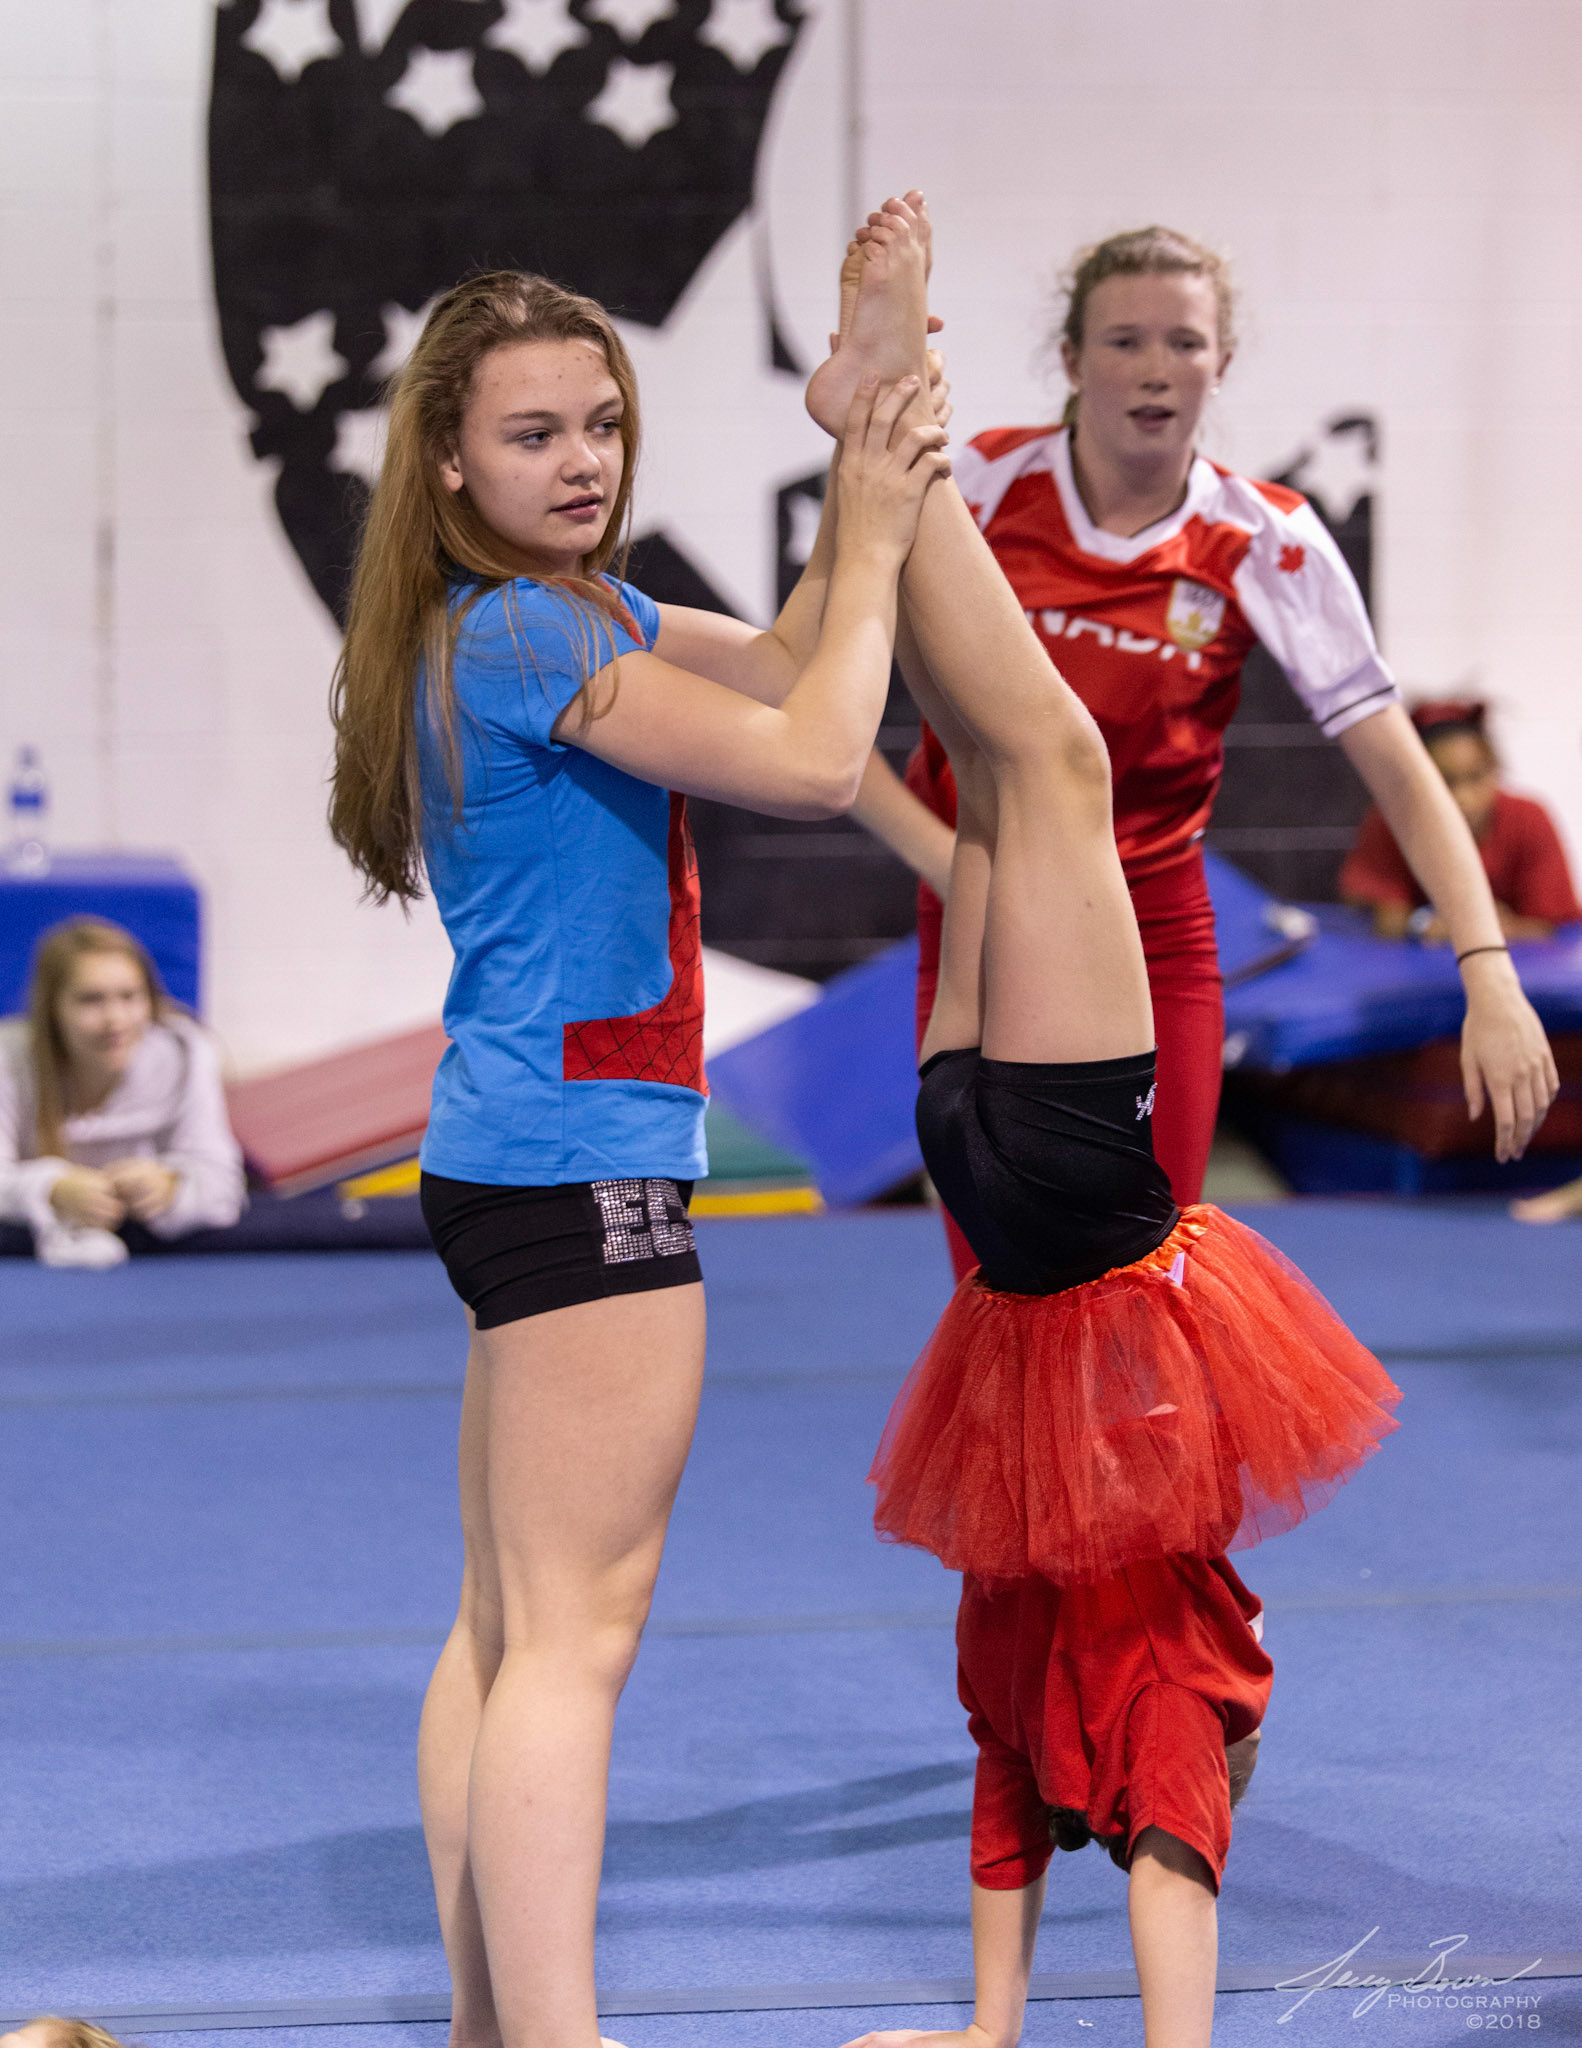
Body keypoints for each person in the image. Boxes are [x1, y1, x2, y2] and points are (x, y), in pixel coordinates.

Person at [327, 264, 949, 2046]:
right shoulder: (527, 636)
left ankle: (488, 2022)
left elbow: (787, 660)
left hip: (515, 1145)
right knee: (574, 1639)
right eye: (533, 433)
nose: (584, 459)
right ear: (451, 459)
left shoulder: (572, 607)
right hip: (573, 1160)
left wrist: (852, 445)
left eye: (601, 423)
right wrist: (882, 520)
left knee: (508, 1621)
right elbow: (817, 759)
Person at [808, 195, 1401, 2048]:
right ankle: (880, 428)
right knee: (1027, 773)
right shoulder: (1029, 1618)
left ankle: (879, 426)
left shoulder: (1158, 1669)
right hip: (982, 1152)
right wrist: (986, 2031)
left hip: (1062, 1206)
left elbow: (1130, 1838)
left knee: (1036, 767)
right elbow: (1028, 1809)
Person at [849, 225, 1557, 1279]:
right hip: (986, 919)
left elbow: (1405, 775)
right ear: (1071, 359)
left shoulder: (1263, 535)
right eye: (1124, 340)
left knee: (1148, 1272)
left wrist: (1487, 972)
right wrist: (954, 865)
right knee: (1003, 1274)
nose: (1155, 368)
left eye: (1183, 342)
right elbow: (830, 709)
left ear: (1220, 361)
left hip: (1154, 928)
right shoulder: (982, 483)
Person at [0, 917, 245, 1268]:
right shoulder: (9, 1061)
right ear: (52, 1009)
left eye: (130, 996)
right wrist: (53, 1188)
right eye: (90, 1000)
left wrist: (170, 1185)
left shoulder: (186, 1054)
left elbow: (224, 1182)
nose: (115, 1019)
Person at [1341, 700, 1581, 942]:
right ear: (1417, 782)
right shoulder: (1391, 820)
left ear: (1494, 771)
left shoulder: (1528, 818)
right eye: (1445, 781)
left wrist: (1449, 927)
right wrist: (1441, 925)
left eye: (1475, 778)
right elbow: (1387, 920)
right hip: (1419, 960)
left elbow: (1547, 924)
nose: (1463, 797)